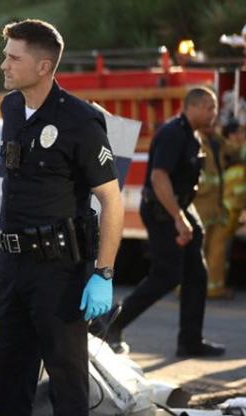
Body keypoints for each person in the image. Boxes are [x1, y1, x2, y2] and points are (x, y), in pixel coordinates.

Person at [0, 20, 124, 416]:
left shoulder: (79, 120)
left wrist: (103, 272)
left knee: (67, 380)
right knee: (9, 377)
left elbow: (111, 203)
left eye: (13, 57)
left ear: (43, 65)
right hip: (12, 266)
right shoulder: (12, 108)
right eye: (5, 55)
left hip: (60, 270)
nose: (4, 64)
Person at [92, 87, 224, 358]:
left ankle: (190, 341)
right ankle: (110, 323)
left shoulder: (193, 135)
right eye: (210, 108)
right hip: (162, 211)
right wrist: (178, 219)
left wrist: (185, 218)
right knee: (166, 276)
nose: (214, 113)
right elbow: (159, 178)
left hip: (181, 209)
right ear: (194, 107)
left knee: (196, 276)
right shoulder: (172, 133)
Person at [192, 120, 245, 299]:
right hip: (200, 206)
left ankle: (214, 288)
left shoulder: (218, 141)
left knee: (217, 251)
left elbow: (237, 151)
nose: (211, 125)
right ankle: (188, 288)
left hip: (216, 207)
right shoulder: (192, 141)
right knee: (197, 250)